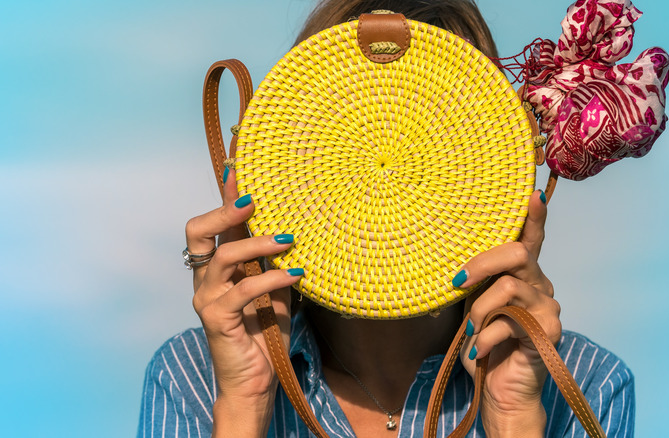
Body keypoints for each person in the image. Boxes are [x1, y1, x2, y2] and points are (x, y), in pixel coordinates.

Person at [138, 1, 635, 437]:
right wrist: (245, 401)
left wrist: (514, 417)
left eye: (446, 132)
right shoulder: (195, 376)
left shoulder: (588, 384)